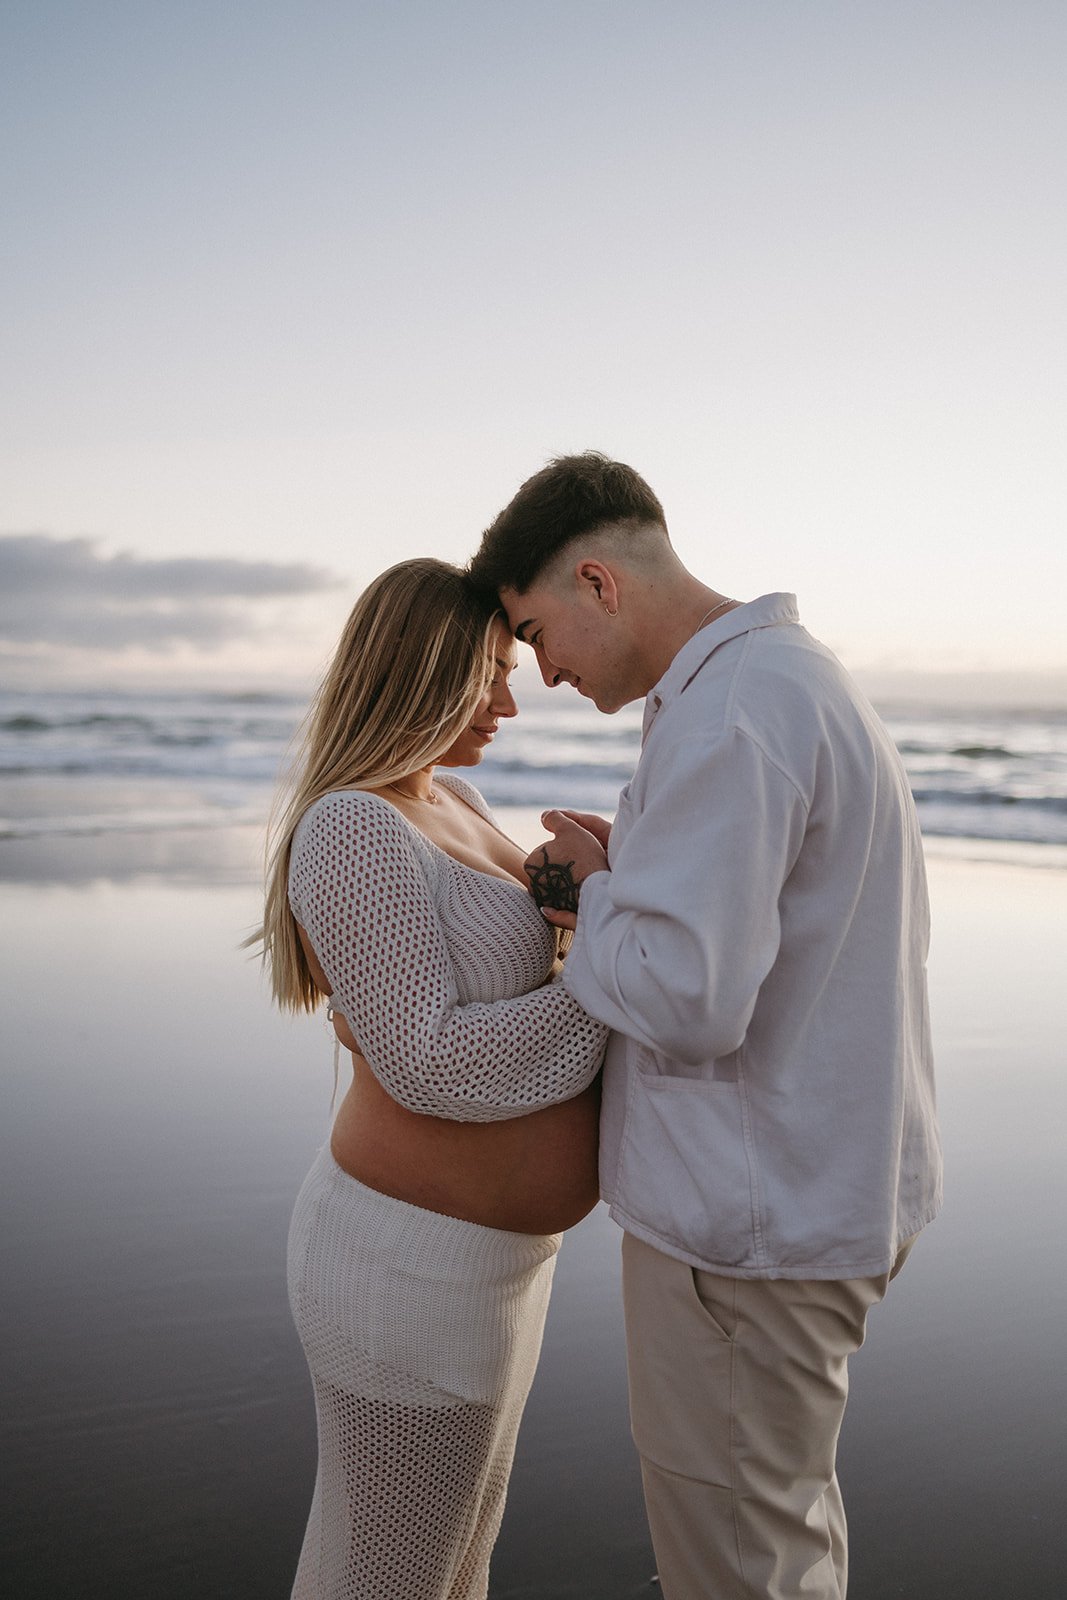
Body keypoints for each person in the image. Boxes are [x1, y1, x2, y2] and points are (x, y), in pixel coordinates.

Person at [468, 453, 943, 1600]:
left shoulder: (730, 715)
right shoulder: (781, 682)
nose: (540, 672)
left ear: (597, 579)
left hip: (745, 1228)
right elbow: (755, 932)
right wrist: (630, 870)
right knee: (779, 1535)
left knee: (735, 1570)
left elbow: (688, 1003)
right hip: (809, 1186)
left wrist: (586, 896)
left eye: (536, 633)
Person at [254, 558, 606, 1600]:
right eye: (483, 673)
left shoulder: (449, 795)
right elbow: (429, 1061)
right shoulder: (354, 823)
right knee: (393, 1575)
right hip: (405, 1268)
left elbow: (467, 1006)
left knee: (452, 1565)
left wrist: (588, 899)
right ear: (414, 671)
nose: (509, 697)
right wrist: (599, 971)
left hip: (490, 1265)